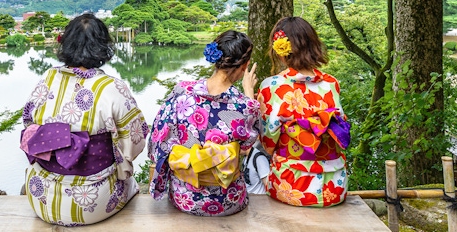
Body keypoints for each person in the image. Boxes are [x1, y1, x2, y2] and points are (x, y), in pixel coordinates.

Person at [20, 13, 148, 226]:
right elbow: (135, 140)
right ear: (102, 46)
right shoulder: (111, 87)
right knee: (129, 182)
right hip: (91, 202)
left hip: (41, 196)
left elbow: (28, 123)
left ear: (66, 43)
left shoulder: (47, 78)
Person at [148, 30, 260, 216]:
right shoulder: (245, 105)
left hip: (185, 197)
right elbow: (247, 147)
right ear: (245, 66)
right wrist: (249, 94)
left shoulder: (182, 92)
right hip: (227, 201)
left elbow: (158, 139)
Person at [258, 16, 351, 207]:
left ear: (281, 49)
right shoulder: (332, 84)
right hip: (334, 188)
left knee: (256, 159)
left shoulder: (271, 86)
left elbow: (267, 143)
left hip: (293, 187)